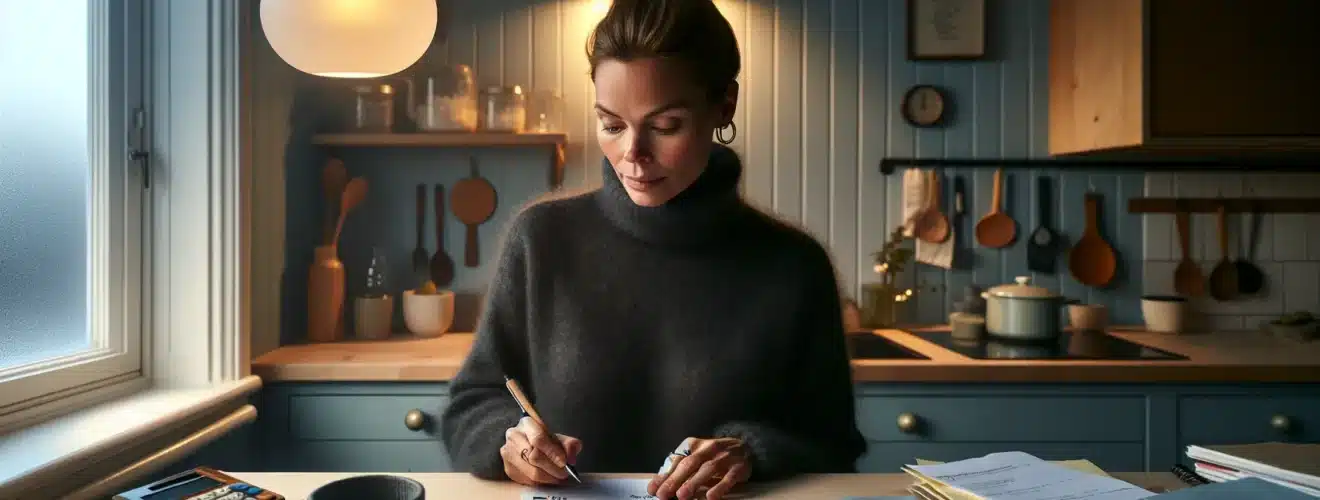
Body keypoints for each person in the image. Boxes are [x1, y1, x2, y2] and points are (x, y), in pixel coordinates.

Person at [439, 0, 866, 498]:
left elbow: (833, 442)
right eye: (611, 124)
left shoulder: (795, 265)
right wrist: (507, 441)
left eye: (665, 126)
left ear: (724, 105)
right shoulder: (540, 239)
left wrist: (750, 451)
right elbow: (473, 404)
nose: (633, 154)